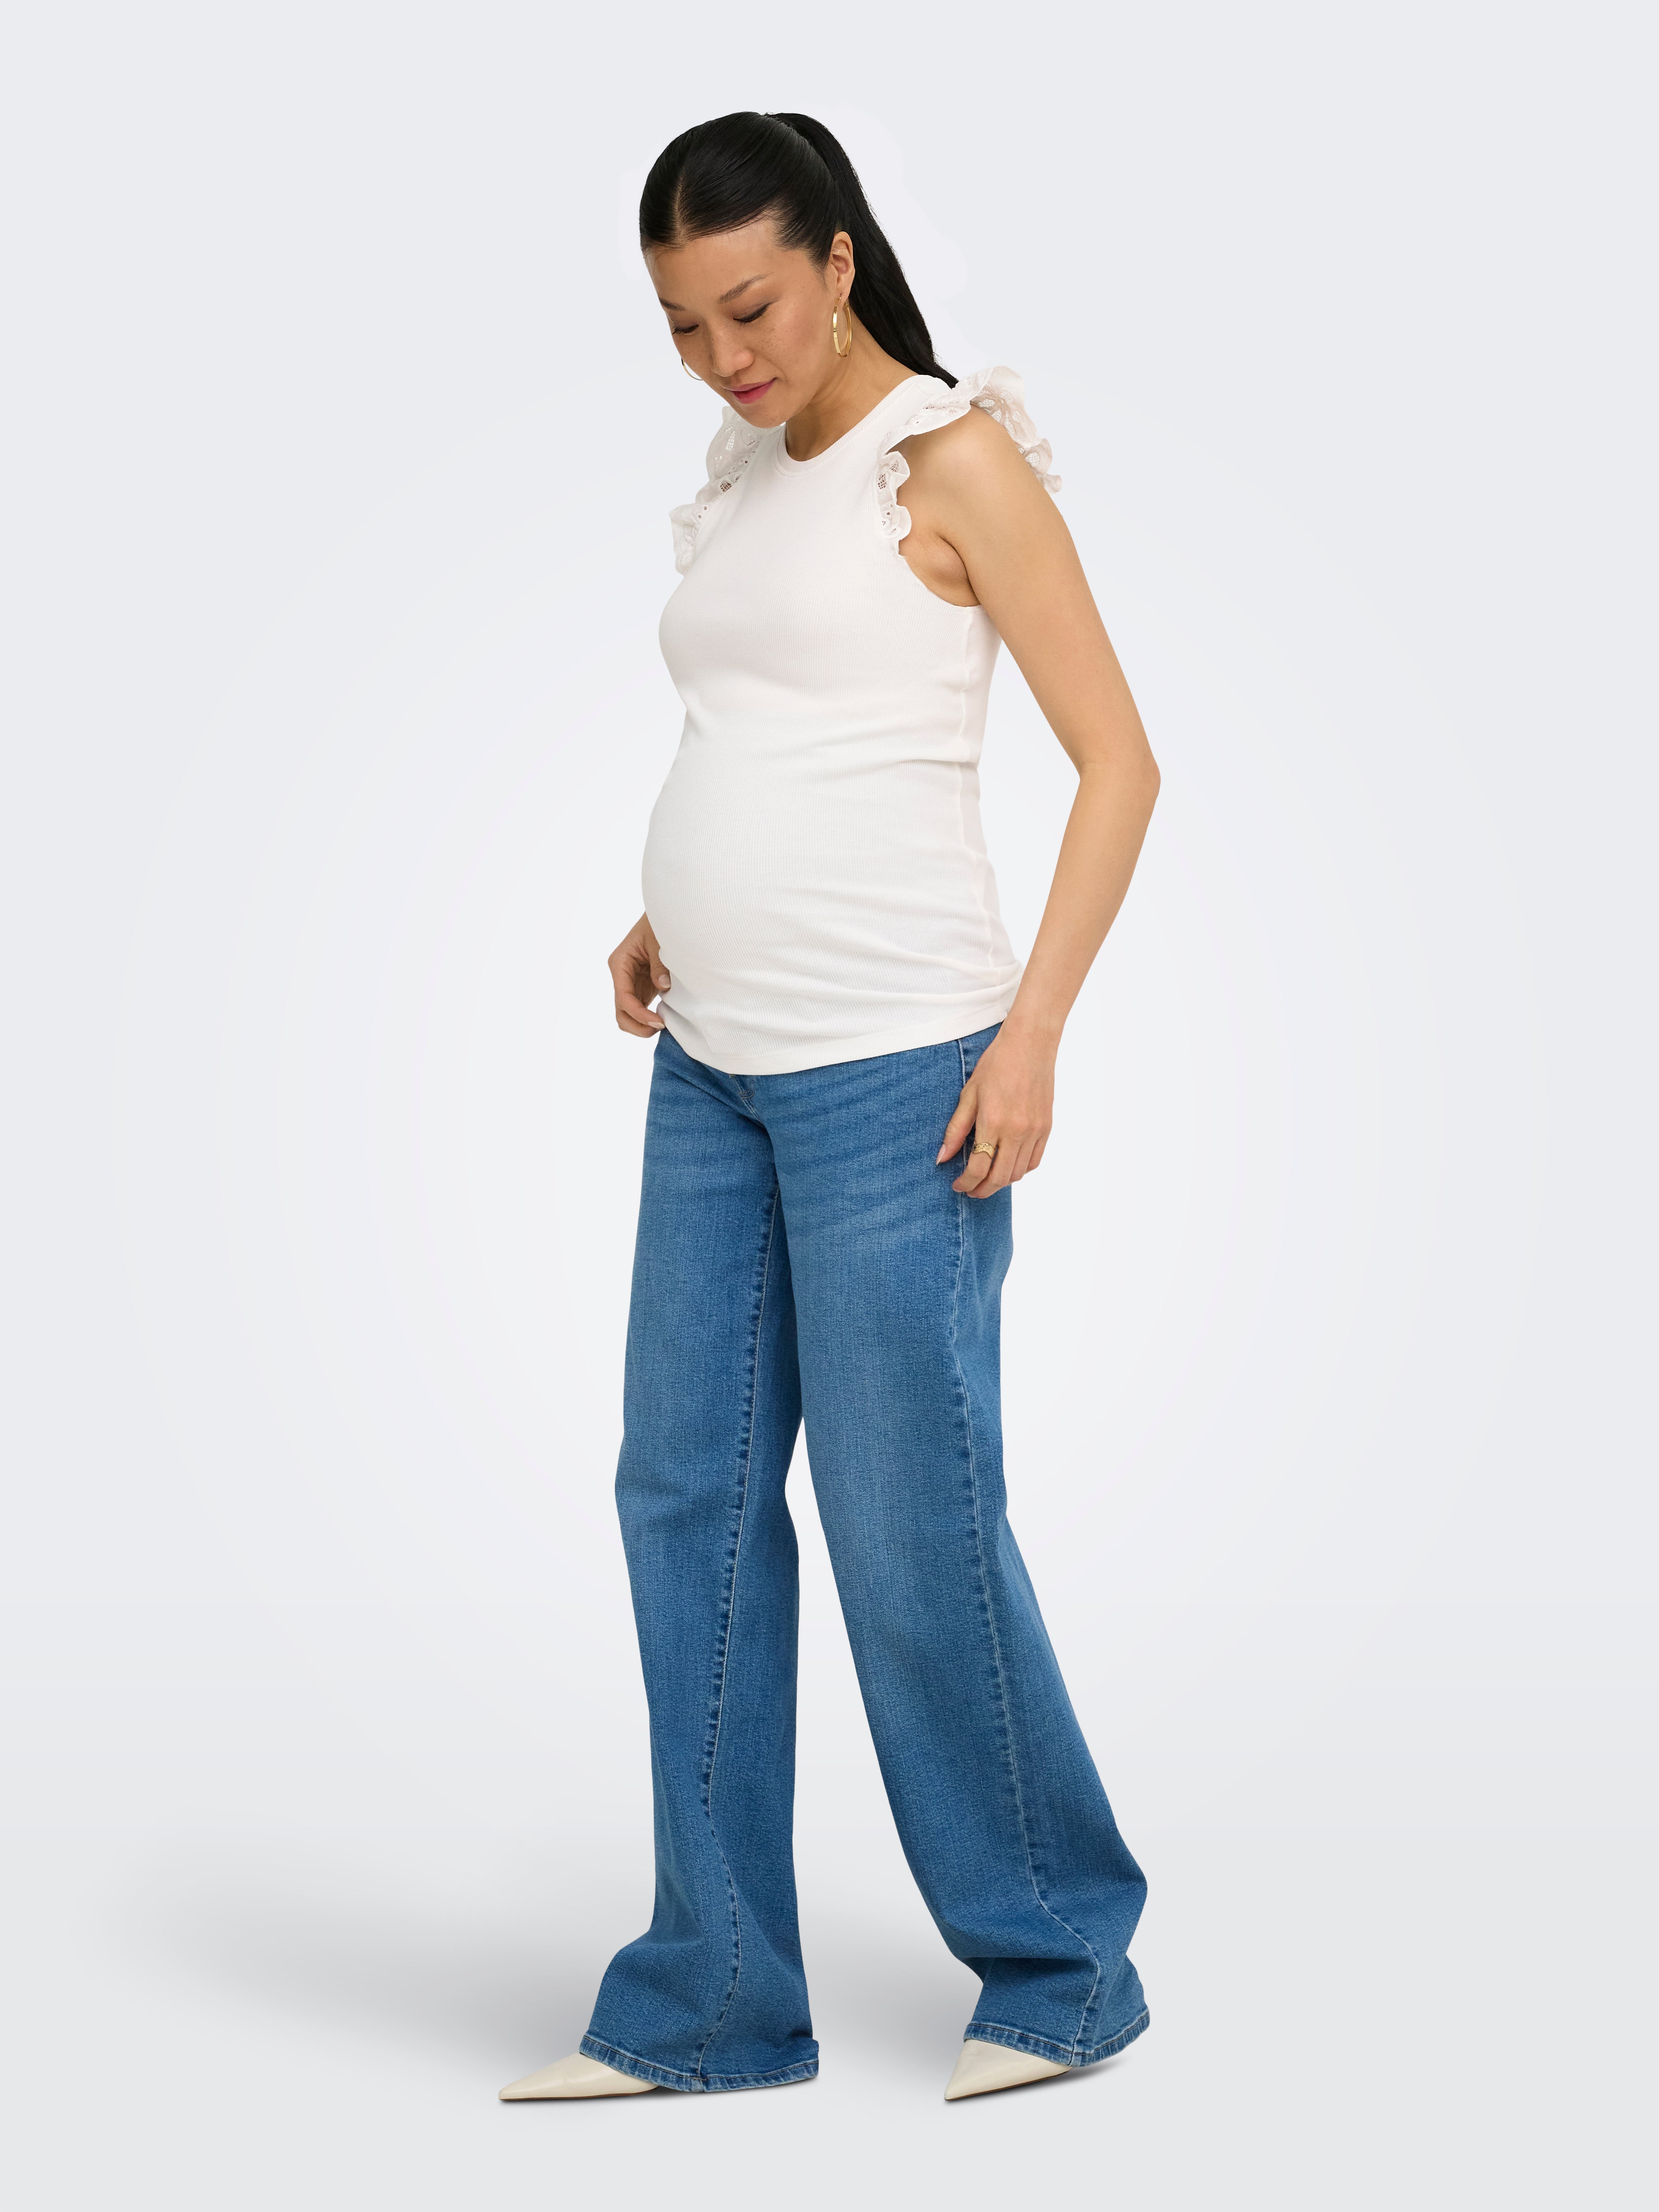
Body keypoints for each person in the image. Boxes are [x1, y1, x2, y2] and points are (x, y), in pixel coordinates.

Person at [500, 110, 1161, 2106]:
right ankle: (713, 1999)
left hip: (903, 1079)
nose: (725, 358)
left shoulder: (949, 462)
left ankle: (1060, 1962)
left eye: (753, 309)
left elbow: (1120, 763)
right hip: (714, 1063)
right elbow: (777, 728)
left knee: (908, 1521)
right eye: (684, 327)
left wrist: (1033, 1034)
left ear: (841, 260)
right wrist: (672, 906)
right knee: (685, 1500)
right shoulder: (749, 469)